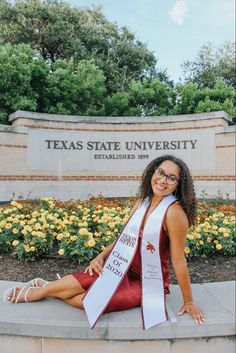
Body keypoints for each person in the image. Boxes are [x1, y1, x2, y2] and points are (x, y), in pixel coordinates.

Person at [4, 155, 205, 327]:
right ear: (153, 172)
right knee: (83, 281)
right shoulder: (143, 202)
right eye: (160, 173)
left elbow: (178, 260)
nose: (163, 180)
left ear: (178, 184)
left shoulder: (174, 213)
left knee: (89, 302)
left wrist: (189, 301)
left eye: (171, 178)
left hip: (146, 281)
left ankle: (47, 289)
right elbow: (125, 236)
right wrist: (101, 256)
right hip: (120, 264)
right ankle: (43, 290)